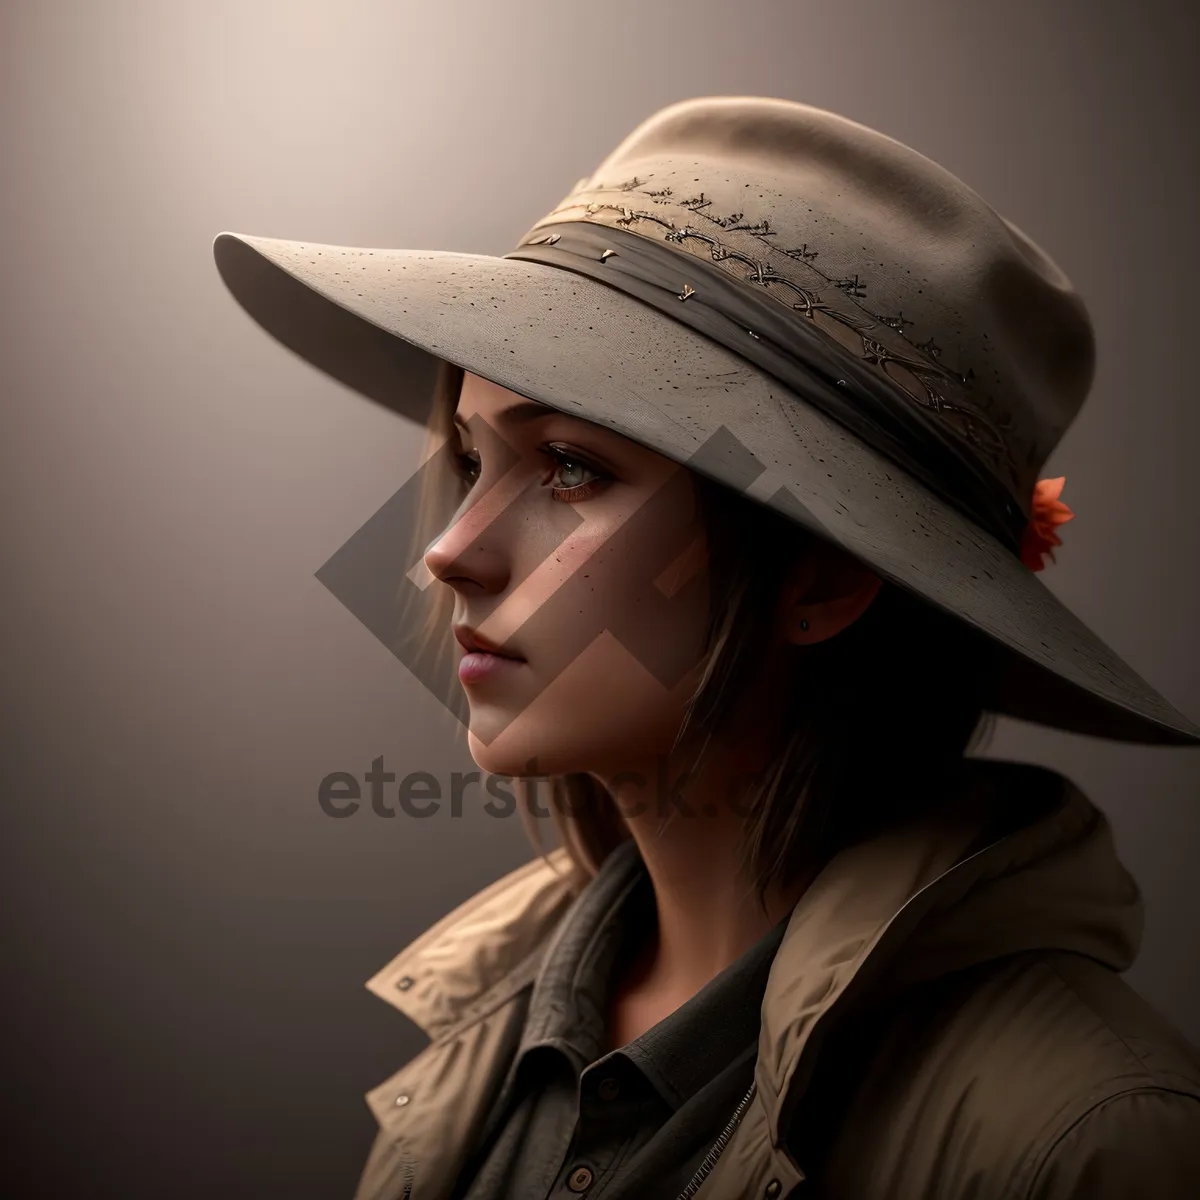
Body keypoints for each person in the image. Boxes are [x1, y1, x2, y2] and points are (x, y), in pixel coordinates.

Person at [212, 97, 1200, 1198]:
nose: (448, 552)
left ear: (821, 577)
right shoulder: (482, 1042)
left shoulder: (1084, 1143)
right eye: (471, 460)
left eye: (572, 468)